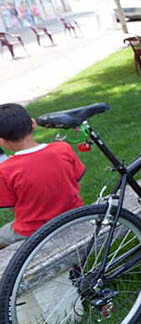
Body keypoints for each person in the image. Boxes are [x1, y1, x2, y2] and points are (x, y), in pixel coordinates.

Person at [0, 103, 86, 248]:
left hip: (33, 230)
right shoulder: (63, 148)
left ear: (1, 141)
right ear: (33, 124)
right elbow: (77, 182)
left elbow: (12, 207)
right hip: (74, 215)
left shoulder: (4, 170)